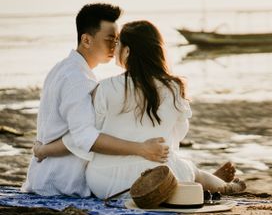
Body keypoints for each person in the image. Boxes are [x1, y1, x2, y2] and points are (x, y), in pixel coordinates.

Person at [35, 20, 246, 199]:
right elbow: (177, 134)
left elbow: (84, 139)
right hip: (160, 175)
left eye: (118, 44)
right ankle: (220, 186)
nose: (114, 48)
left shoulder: (105, 88)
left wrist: (44, 149)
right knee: (187, 169)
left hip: (106, 184)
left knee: (181, 170)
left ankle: (200, 181)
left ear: (127, 51)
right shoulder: (174, 87)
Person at [22, 3, 169, 197]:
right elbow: (83, 137)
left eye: (117, 40)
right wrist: (141, 149)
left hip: (48, 174)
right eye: (110, 39)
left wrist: (43, 150)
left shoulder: (64, 68)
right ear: (86, 40)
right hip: (64, 182)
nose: (115, 46)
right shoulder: (78, 80)